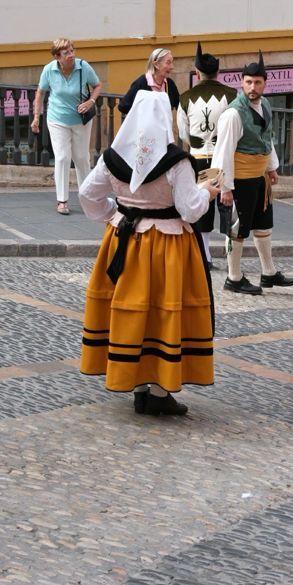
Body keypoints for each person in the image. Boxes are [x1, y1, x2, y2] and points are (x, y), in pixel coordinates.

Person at [77, 92, 213, 416]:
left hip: (125, 241)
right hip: (167, 246)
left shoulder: (113, 158)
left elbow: (86, 193)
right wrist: (207, 192)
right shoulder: (177, 161)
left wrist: (114, 214)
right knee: (163, 312)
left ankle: (138, 387)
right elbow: (190, 209)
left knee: (133, 309)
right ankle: (158, 390)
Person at [213, 54, 293, 293]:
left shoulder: (266, 105)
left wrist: (271, 167)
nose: (252, 87)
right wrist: (225, 188)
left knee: (263, 225)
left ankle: (268, 273)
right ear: (241, 82)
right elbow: (223, 152)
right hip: (239, 179)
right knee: (236, 229)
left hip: (259, 178)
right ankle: (234, 277)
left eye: (257, 82)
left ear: (265, 83)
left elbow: (267, 138)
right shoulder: (233, 114)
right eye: (248, 82)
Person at [176, 43, 237, 259]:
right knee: (228, 204)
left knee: (203, 203)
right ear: (218, 72)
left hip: (199, 158)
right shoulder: (232, 95)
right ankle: (231, 256)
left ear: (197, 73)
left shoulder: (185, 98)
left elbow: (183, 133)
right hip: (224, 159)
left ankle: (205, 254)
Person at [30, 38, 102, 216]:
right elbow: (40, 92)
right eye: (66, 53)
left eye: (72, 50)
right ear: (57, 57)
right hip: (57, 119)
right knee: (62, 157)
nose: (71, 55)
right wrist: (36, 118)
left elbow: (97, 85)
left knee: (81, 158)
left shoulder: (83, 67)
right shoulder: (49, 70)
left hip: (80, 120)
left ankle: (86, 198)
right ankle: (62, 201)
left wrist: (91, 102)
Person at [117, 46, 181, 116]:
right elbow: (123, 106)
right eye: (168, 63)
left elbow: (179, 105)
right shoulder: (142, 82)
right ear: (156, 64)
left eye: (172, 62)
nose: (172, 67)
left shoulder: (169, 84)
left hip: (163, 127)